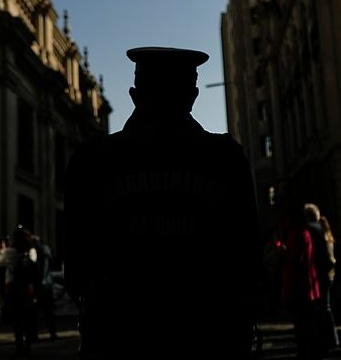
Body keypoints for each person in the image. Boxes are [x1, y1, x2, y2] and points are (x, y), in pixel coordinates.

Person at [64, 47, 261, 360]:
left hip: (119, 336)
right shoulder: (225, 159)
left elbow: (75, 263)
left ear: (134, 95)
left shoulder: (93, 160)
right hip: (207, 336)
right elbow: (247, 256)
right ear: (193, 95)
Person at [283, 206, 322, 360]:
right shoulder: (306, 233)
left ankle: (307, 351)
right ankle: (312, 350)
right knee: (308, 322)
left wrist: (282, 251)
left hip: (299, 286)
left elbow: (295, 258)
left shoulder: (296, 234)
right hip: (307, 284)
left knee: (302, 323)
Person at [303, 203, 339, 352]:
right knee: (326, 307)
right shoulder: (323, 230)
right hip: (328, 274)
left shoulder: (312, 230)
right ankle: (331, 339)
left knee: (323, 307)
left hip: (320, 275)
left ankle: (328, 339)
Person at [6, 226, 39, 357]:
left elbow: (3, 264)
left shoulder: (11, 252)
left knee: (17, 319)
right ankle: (27, 346)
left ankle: (20, 345)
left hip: (15, 287)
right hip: (26, 287)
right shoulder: (29, 251)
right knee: (27, 317)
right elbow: (34, 268)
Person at [31, 234, 58, 340]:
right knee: (48, 310)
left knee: (36, 310)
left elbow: (38, 268)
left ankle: (35, 334)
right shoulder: (45, 250)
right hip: (46, 282)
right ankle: (51, 333)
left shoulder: (36, 251)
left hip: (40, 284)